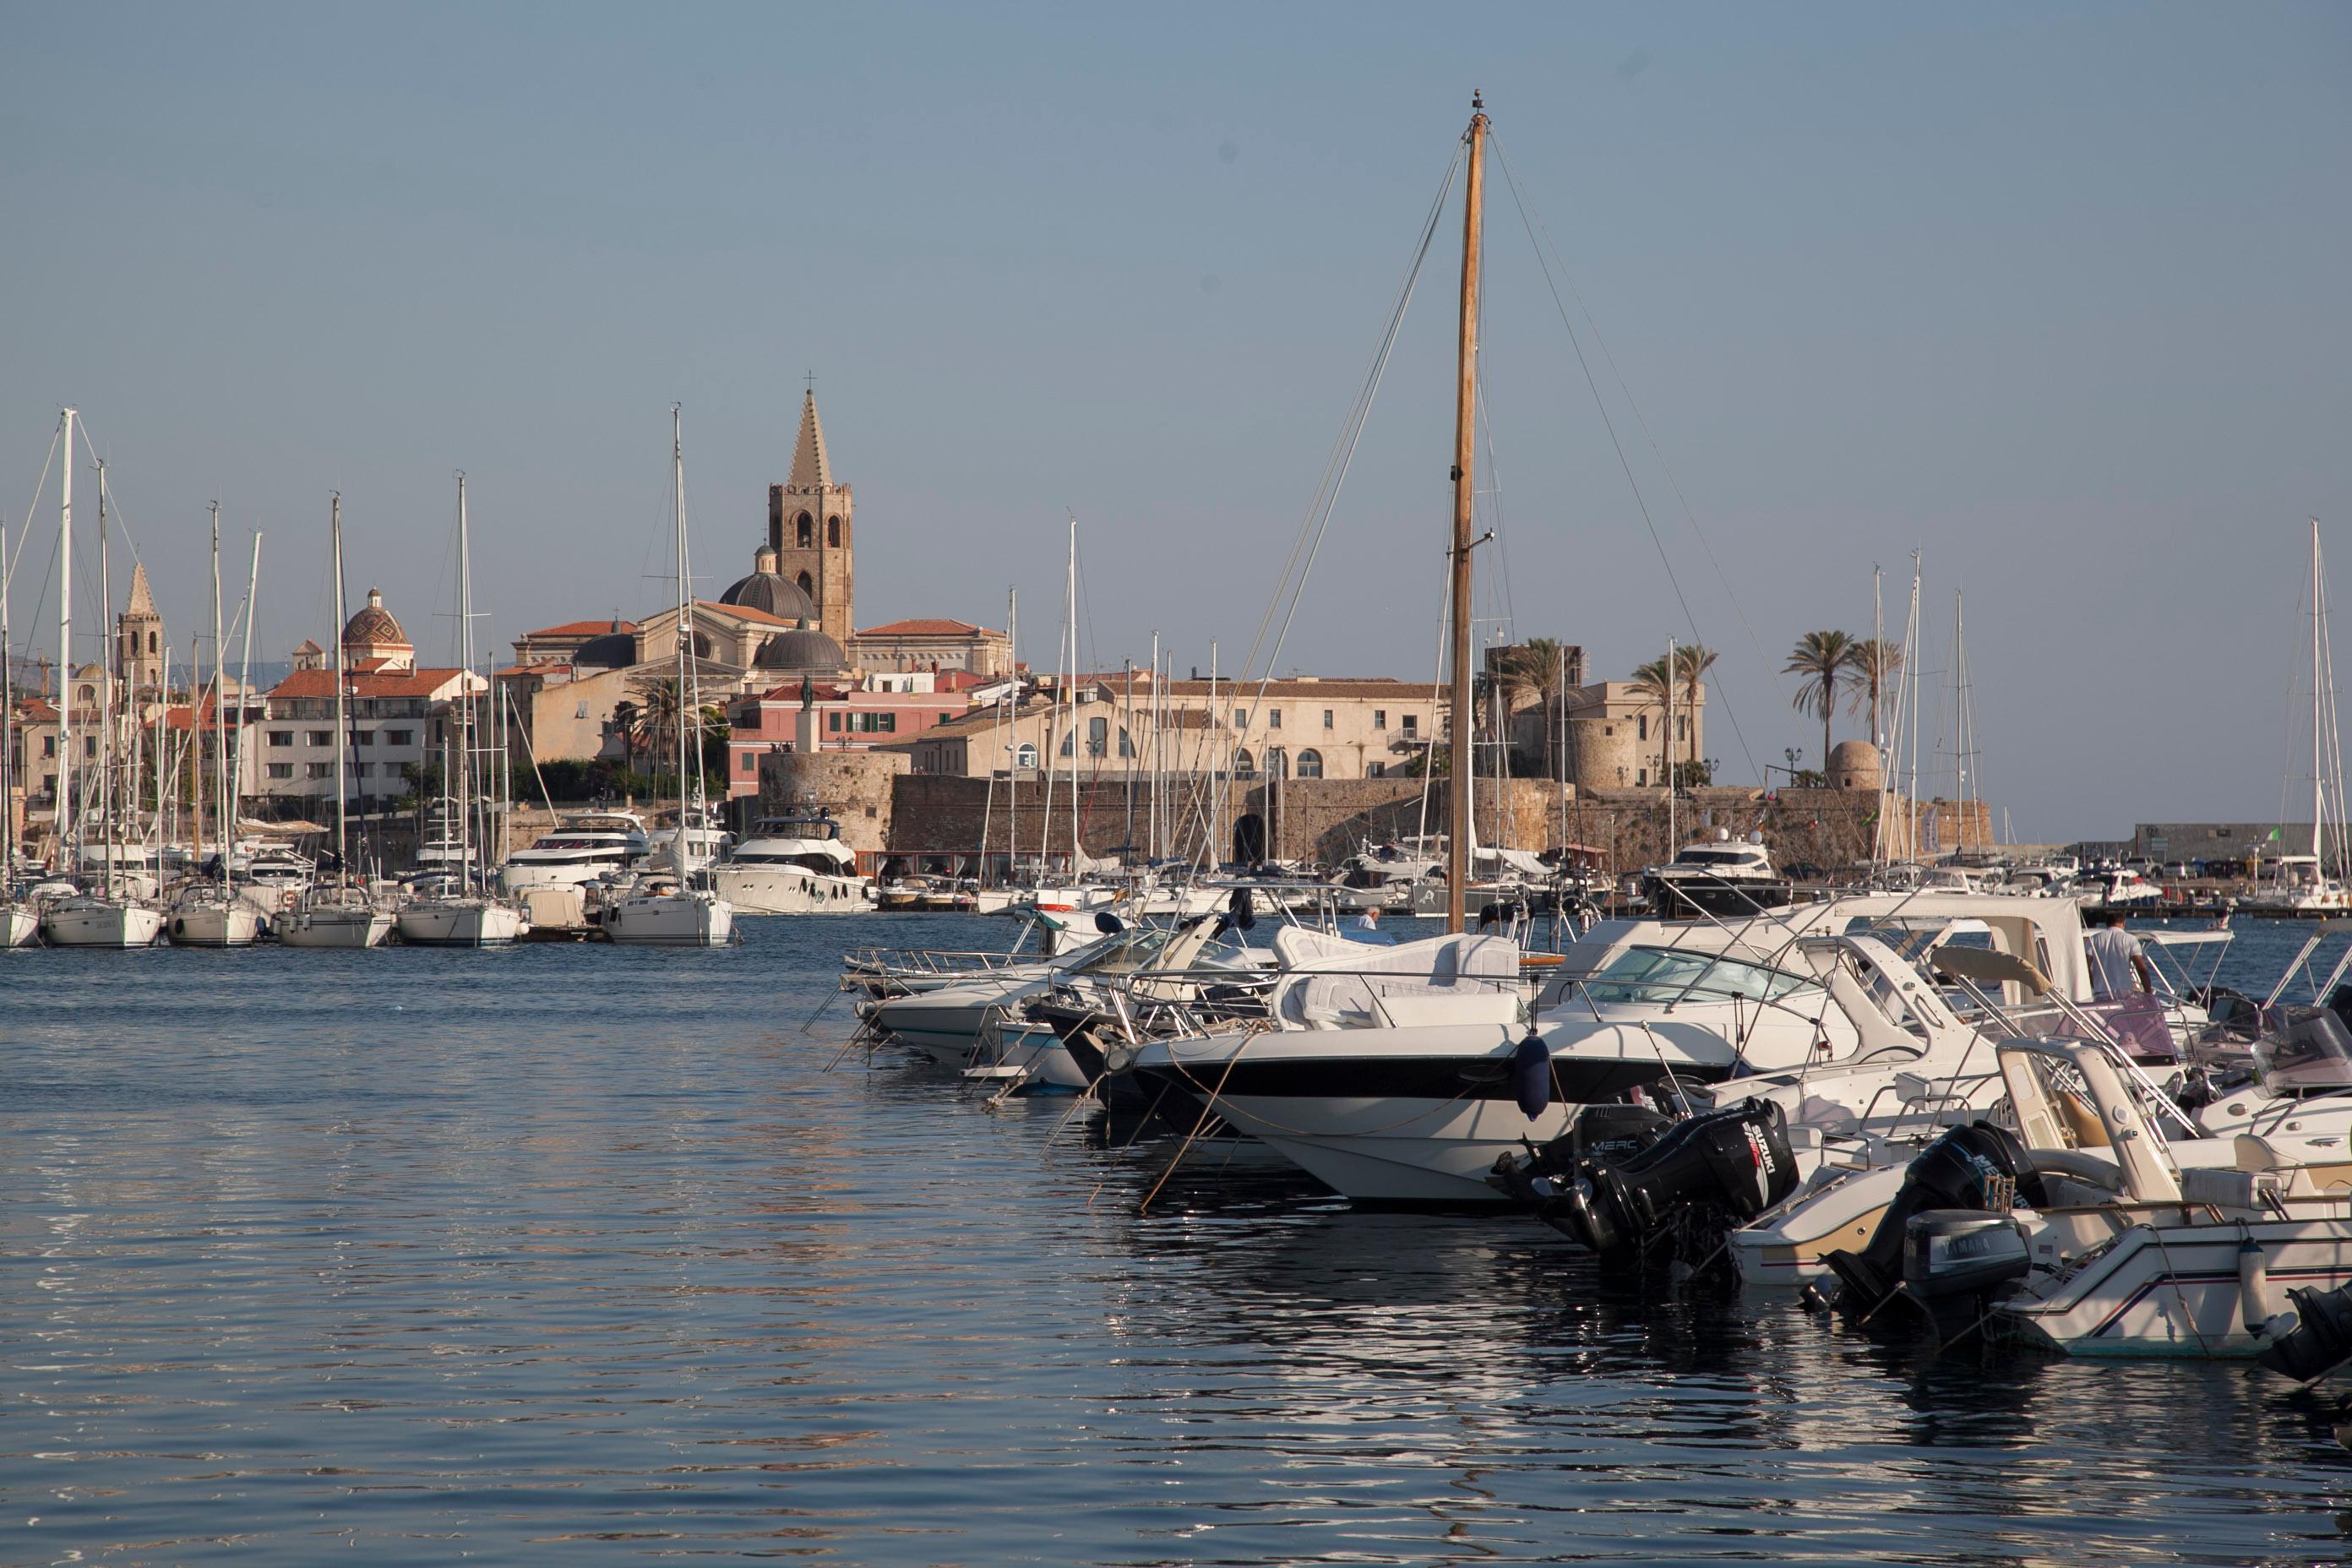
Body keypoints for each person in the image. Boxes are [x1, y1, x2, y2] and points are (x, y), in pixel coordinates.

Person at [2085, 909, 2153, 1002]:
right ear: (2123, 923)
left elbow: (2086, 965)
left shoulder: (2093, 939)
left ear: (2107, 923)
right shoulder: (2130, 939)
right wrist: (2149, 994)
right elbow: (2141, 969)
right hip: (2123, 993)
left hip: (2100, 993)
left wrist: (2092, 982)